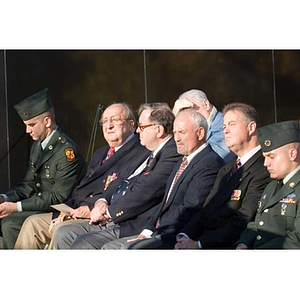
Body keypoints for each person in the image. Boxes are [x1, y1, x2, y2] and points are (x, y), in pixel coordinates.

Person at [14, 102, 150, 249]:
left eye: (115, 120)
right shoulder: (101, 153)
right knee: (32, 223)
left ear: (131, 125)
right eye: (104, 121)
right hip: (76, 209)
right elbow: (82, 188)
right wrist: (67, 210)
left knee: (61, 231)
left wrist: (89, 209)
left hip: (100, 216)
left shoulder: (140, 152)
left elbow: (124, 192)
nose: (108, 126)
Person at [52, 103, 182, 249]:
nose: (138, 131)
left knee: (83, 242)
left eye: (142, 127)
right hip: (115, 214)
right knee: (64, 234)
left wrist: (108, 213)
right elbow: (121, 179)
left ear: (158, 130)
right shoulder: (150, 151)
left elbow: (145, 191)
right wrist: (102, 201)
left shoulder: (171, 153)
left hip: (134, 221)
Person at [102, 108, 224, 249]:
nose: (177, 138)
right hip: (158, 230)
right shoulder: (182, 161)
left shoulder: (209, 163)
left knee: (121, 249)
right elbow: (165, 202)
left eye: (182, 133)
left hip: (177, 234)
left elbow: (190, 207)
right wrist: (147, 231)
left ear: (200, 133)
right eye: (175, 133)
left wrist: (155, 231)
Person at [174, 102, 271, 249]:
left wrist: (199, 244)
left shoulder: (264, 167)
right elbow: (206, 209)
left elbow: (243, 219)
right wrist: (184, 236)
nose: (225, 131)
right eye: (224, 126)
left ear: (251, 127)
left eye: (232, 124)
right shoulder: (227, 168)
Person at [0, 88, 87, 249]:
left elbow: (58, 197)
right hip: (39, 205)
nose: (27, 130)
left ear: (47, 121)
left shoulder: (67, 152)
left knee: (10, 224)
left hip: (58, 211)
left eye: (31, 125)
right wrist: (5, 198)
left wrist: (16, 207)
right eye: (26, 125)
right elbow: (29, 184)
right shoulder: (38, 146)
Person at [236, 120, 300, 249]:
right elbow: (258, 223)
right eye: (265, 157)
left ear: (292, 154)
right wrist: (243, 244)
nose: (266, 163)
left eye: (271, 156)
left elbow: (297, 238)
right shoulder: (271, 186)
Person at [173, 89, 234, 163]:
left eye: (190, 110)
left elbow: (212, 158)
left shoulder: (224, 124)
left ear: (206, 105)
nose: (187, 115)